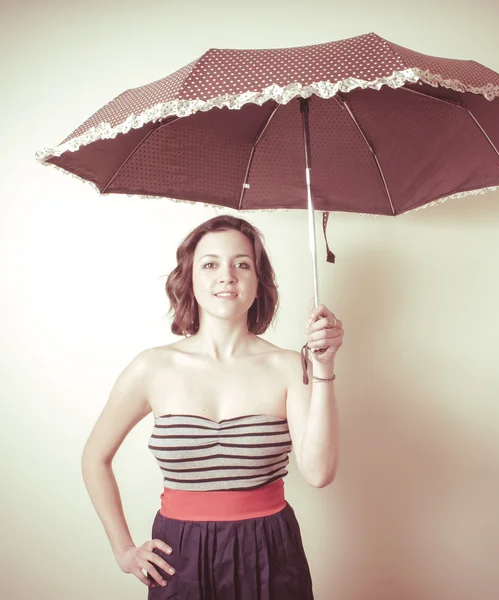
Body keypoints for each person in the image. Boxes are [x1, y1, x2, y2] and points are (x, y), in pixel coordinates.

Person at [81, 215, 344, 599]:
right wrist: (124, 550)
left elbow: (319, 473)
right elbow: (94, 457)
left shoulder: (291, 366)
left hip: (270, 550)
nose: (227, 275)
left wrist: (324, 367)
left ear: (259, 281)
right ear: (189, 278)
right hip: (179, 555)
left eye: (242, 264)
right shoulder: (151, 367)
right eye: (210, 264)